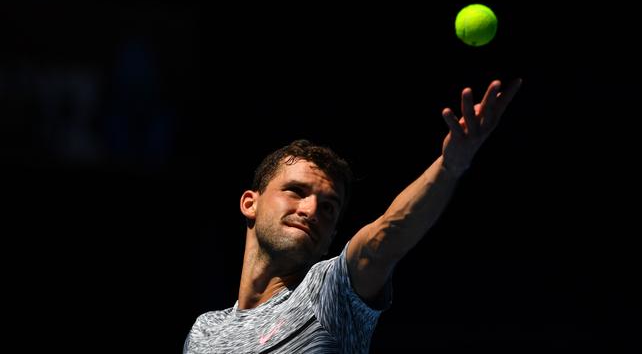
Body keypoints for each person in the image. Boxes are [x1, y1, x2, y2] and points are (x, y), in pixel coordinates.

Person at [183, 78, 522, 353]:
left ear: (331, 235)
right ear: (249, 203)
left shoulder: (329, 293)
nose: (311, 209)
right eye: (296, 191)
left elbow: (386, 235)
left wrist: (450, 166)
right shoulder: (204, 332)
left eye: (328, 207)